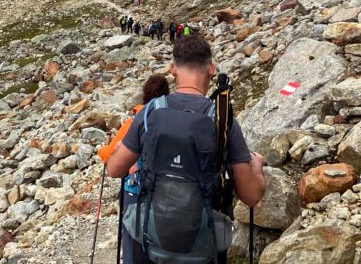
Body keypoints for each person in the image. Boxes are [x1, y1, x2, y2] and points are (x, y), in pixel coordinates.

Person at [106, 35, 266, 264]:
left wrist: (120, 149)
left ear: (172, 69)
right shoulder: (222, 120)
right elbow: (250, 196)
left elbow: (114, 170)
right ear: (211, 69)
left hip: (150, 239)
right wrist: (257, 170)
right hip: (202, 243)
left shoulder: (150, 112)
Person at [97, 75, 171, 264]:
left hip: (134, 190)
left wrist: (103, 150)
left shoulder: (137, 118)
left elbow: (110, 156)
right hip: (165, 192)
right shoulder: (171, 118)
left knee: (132, 237)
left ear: (144, 93)